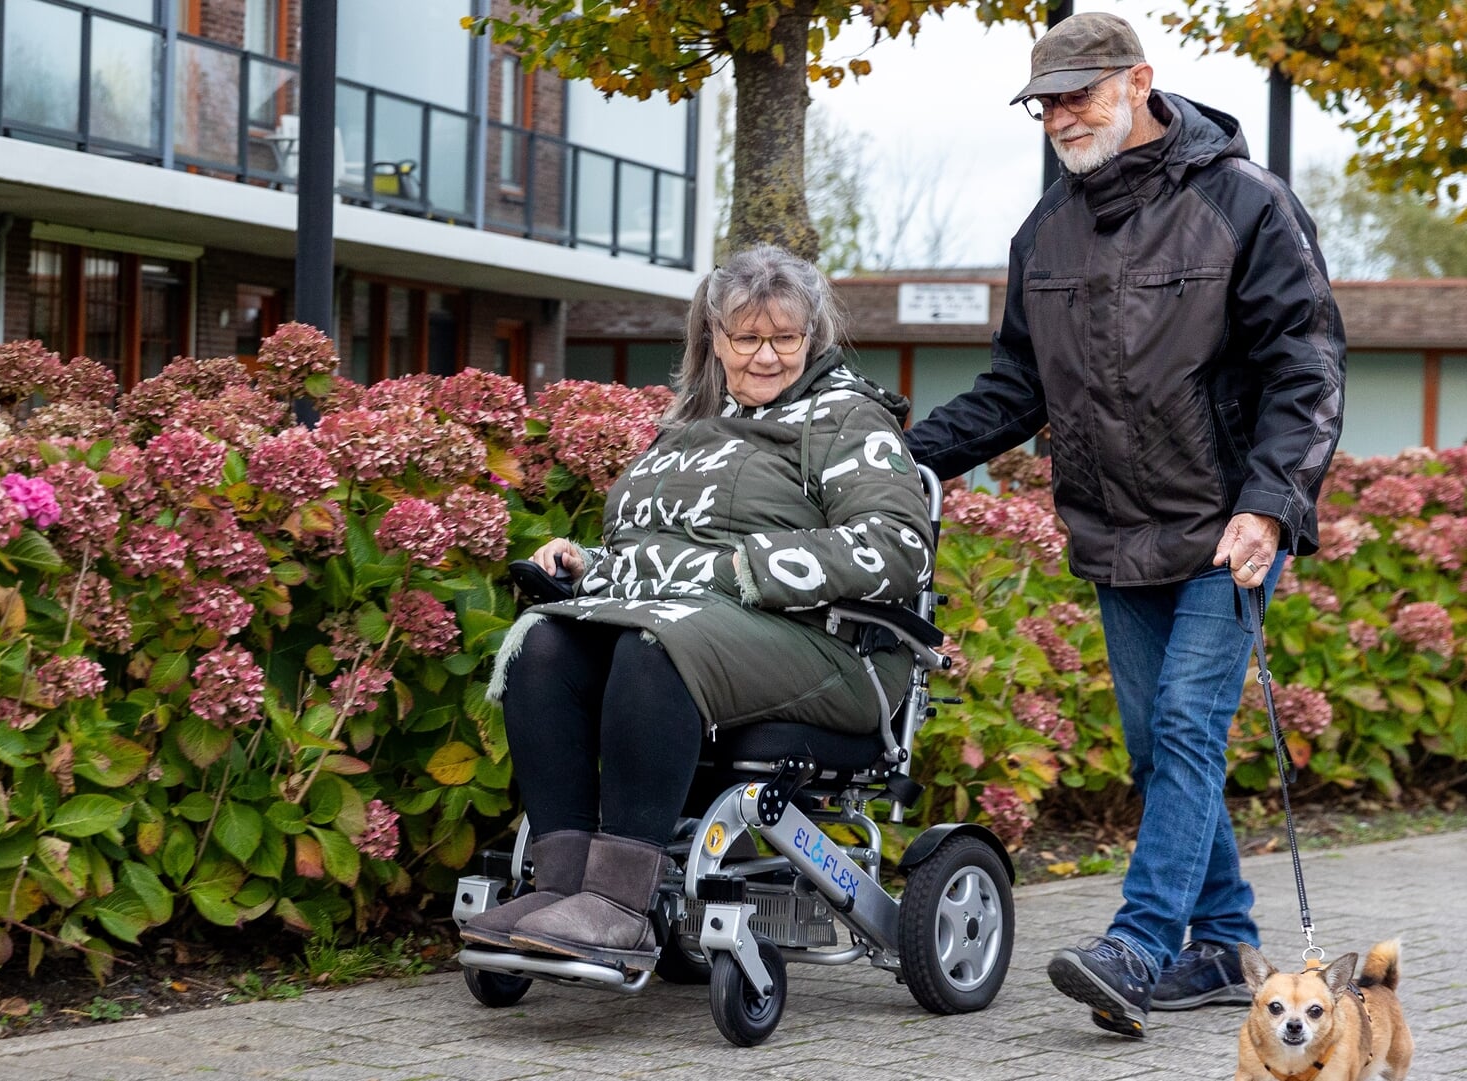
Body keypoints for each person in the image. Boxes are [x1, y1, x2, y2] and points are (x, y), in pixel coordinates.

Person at [903, 12, 1346, 1039]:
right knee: (1155, 748)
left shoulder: (1245, 203)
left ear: (1139, 82)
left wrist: (1271, 504)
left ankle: (1138, 946)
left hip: (1226, 530)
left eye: (1080, 96)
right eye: (1046, 103)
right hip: (1115, 533)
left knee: (1187, 726)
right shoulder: (1045, 232)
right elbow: (1019, 386)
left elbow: (1307, 365)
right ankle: (1224, 945)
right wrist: (901, 454)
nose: (1062, 117)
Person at [461, 244, 935, 970]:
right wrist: (591, 565)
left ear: (813, 336)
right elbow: (665, 552)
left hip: (830, 647)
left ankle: (620, 905)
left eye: (786, 337)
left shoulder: (848, 420)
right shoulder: (690, 423)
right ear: (714, 337)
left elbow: (897, 546)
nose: (767, 355)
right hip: (700, 626)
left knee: (657, 641)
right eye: (747, 337)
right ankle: (559, 887)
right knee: (542, 644)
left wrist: (751, 568)